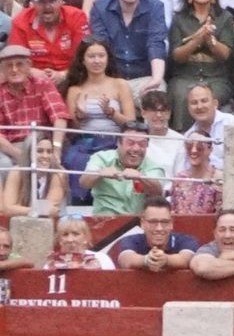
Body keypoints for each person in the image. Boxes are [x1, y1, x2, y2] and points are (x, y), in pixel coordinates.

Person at [62, 36, 135, 197]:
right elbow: (72, 130)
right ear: (83, 60)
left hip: (114, 141)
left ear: (108, 59)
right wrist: (80, 116)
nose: (97, 61)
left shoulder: (120, 84)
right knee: (75, 159)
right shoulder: (74, 89)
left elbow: (131, 123)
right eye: (91, 56)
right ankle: (80, 204)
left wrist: (112, 113)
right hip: (85, 142)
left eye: (101, 56)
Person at [166, 0, 234, 123]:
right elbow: (177, 56)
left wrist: (210, 40)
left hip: (216, 78)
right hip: (185, 77)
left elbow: (225, 55)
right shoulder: (179, 18)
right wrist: (197, 39)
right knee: (184, 96)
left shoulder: (224, 18)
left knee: (205, 99)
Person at [91, 0, 168, 94]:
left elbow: (156, 43)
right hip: (112, 77)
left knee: (157, 96)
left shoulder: (155, 7)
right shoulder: (100, 8)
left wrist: (156, 79)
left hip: (144, 77)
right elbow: (100, 46)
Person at [0, 43, 67, 171]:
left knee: (59, 163)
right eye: (9, 65)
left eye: (19, 64)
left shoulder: (42, 84)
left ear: (29, 66)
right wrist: (21, 156)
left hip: (41, 144)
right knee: (3, 165)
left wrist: (56, 149)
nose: (14, 70)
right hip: (10, 147)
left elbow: (59, 117)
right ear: (2, 69)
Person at [9, 0, 89, 82]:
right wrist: (31, 71)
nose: (47, 6)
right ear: (33, 3)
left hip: (72, 77)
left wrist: (64, 74)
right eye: (42, 2)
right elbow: (15, 58)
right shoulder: (20, 22)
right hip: (32, 79)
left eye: (52, 1)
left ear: (61, 1)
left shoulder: (77, 17)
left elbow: (84, 55)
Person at [81, 123, 164, 213]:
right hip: (105, 221)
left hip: (138, 223)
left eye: (142, 144)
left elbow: (158, 193)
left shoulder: (153, 166)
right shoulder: (101, 158)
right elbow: (84, 183)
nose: (136, 148)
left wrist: (140, 177)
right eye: (130, 143)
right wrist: (99, 174)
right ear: (118, 143)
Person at [113, 194, 199, 269]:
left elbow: (187, 259)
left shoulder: (187, 240)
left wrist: (166, 260)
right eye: (153, 222)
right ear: (142, 223)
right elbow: (125, 259)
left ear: (171, 223)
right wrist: (146, 260)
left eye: (164, 222)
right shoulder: (130, 240)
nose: (159, 228)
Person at [0, 135, 65, 217]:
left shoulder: (58, 174)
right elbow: (8, 209)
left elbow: (50, 209)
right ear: (28, 153)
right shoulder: (17, 172)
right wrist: (37, 210)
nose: (45, 156)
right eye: (39, 151)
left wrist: (19, 209)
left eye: (49, 152)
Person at [168, 128, 222, 211]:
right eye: (189, 146)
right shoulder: (179, 178)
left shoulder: (219, 178)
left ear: (210, 150)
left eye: (200, 147)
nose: (193, 151)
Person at [183, 81, 234, 155]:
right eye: (194, 102)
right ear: (188, 108)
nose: (199, 106)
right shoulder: (188, 137)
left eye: (204, 101)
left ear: (215, 103)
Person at [44, 213, 108, 268]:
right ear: (60, 240)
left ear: (85, 238)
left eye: (75, 234)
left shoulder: (101, 259)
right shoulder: (51, 263)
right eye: (65, 235)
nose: (70, 240)